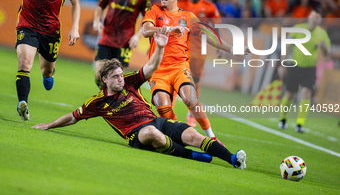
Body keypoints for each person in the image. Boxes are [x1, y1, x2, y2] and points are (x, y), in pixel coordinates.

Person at [31, 27, 247, 170]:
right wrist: (48, 126)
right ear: (104, 79)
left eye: (120, 75)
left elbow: (151, 67)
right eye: (115, 77)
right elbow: (72, 117)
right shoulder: (97, 103)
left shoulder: (131, 81)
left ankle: (232, 158)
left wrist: (160, 46)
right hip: (137, 134)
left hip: (158, 121)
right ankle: (191, 156)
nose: (120, 79)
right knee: (153, 134)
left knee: (192, 135)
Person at [142, 0, 249, 144]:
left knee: (190, 99)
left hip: (179, 67)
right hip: (157, 69)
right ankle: (177, 135)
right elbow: (146, 30)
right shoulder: (155, 11)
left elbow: (209, 35)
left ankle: (212, 137)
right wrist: (170, 29)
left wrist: (233, 49)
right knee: (162, 106)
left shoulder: (188, 16)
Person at [0, 0, 80, 121]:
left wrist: (74, 27)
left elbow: (75, 3)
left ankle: (48, 75)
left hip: (50, 31)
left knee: (47, 71)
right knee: (24, 63)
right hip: (27, 25)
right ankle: (23, 104)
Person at [93, 0, 151, 87]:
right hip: (106, 37)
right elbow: (101, 6)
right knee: (99, 76)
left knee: (115, 78)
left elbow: (148, 19)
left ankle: (107, 103)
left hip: (125, 41)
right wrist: (97, 21)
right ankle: (106, 99)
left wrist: (137, 36)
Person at [278, 8, 331, 133]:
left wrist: (325, 49)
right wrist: (283, 64)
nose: (314, 19)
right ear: (309, 17)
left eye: (317, 17)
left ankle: (299, 124)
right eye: (313, 16)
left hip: (310, 68)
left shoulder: (322, 34)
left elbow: (327, 53)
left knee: (307, 93)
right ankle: (282, 119)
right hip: (295, 66)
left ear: (319, 20)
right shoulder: (298, 28)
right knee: (290, 94)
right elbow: (286, 45)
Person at [177, 0, 221, 127]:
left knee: (194, 81)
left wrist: (219, 46)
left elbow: (217, 27)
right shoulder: (180, 4)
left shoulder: (209, 7)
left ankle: (191, 112)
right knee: (173, 76)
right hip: (180, 46)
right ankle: (167, 109)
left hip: (198, 50)